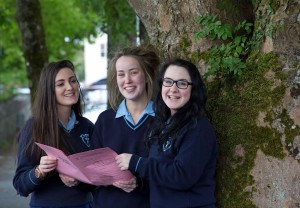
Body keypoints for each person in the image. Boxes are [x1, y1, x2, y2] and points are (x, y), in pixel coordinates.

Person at [116, 58, 218, 208]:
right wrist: (136, 182)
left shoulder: (198, 128)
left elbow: (182, 176)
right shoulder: (161, 124)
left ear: (193, 89)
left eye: (182, 83)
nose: (173, 89)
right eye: (168, 81)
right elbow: (159, 174)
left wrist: (136, 162)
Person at [13, 60, 94, 208]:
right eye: (60, 84)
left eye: (73, 81)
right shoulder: (33, 127)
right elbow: (20, 185)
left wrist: (78, 180)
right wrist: (39, 171)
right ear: (49, 90)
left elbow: (97, 180)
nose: (70, 87)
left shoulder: (87, 126)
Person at [90, 44, 160, 208]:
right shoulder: (105, 120)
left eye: (134, 72)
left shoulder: (164, 120)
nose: (127, 80)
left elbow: (169, 173)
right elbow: (91, 171)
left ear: (147, 75)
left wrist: (139, 183)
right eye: (121, 74)